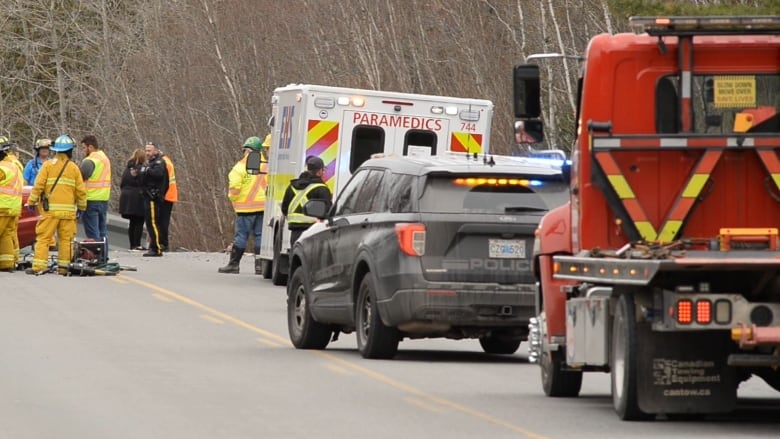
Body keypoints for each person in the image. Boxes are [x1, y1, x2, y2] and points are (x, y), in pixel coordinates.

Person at [24, 135, 87, 275]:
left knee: (43, 238)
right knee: (66, 240)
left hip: (50, 212)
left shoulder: (47, 166)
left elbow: (38, 186)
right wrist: (82, 208)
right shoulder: (74, 168)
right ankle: (64, 268)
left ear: (56, 150)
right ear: (70, 150)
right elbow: (81, 191)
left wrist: (31, 202)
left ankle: (39, 267)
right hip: (68, 213)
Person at [219, 136, 268, 274]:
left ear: (247, 150)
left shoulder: (239, 167)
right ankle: (260, 267)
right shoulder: (267, 166)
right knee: (260, 237)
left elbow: (234, 188)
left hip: (245, 209)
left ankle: (234, 265)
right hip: (263, 207)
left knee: (241, 236)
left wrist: (233, 199)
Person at [281, 155, 332, 248]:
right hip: (315, 231)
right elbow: (328, 211)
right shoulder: (322, 189)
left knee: (296, 259)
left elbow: (284, 208)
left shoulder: (292, 186)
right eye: (323, 170)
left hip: (295, 231)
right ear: (319, 171)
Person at [139, 142, 177, 256]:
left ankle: (160, 245)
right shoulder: (159, 161)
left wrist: (146, 170)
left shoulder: (162, 162)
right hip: (165, 194)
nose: (147, 153)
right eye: (146, 151)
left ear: (157, 151)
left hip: (166, 195)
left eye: (149, 151)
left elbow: (161, 177)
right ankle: (159, 245)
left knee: (160, 222)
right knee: (157, 222)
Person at [79, 135, 111, 242]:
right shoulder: (104, 158)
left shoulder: (90, 160)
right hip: (103, 199)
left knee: (92, 233)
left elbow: (81, 177)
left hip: (91, 199)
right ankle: (103, 256)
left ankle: (96, 255)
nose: (83, 151)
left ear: (91, 147)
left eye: (84, 148)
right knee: (102, 232)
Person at [0, 137, 23, 272]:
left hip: (2, 207)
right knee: (6, 236)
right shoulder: (13, 165)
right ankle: (6, 263)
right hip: (12, 207)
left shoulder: (2, 168)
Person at [119, 149, 147, 251]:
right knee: (139, 221)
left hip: (126, 197)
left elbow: (122, 184)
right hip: (137, 198)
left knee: (132, 222)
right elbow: (143, 183)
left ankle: (132, 245)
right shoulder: (141, 169)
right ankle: (137, 244)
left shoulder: (127, 169)